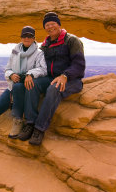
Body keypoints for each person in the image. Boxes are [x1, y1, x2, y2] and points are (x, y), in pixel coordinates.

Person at [17, 12, 86, 146]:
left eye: (53, 24)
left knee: (54, 89)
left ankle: (39, 128)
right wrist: (29, 74)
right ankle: (30, 123)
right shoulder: (45, 45)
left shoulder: (72, 41)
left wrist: (65, 75)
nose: (50, 27)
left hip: (72, 80)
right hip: (51, 77)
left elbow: (79, 65)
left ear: (59, 25)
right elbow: (37, 62)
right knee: (33, 84)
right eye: (47, 25)